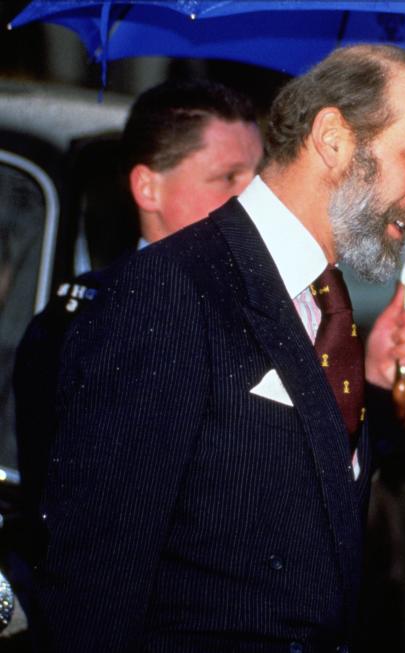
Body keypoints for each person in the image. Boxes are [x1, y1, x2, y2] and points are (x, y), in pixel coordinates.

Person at [32, 44, 405, 651]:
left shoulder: (323, 303)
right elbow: (94, 578)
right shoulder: (171, 291)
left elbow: (289, 491)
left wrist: (379, 390)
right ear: (333, 138)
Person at [11, 78, 262, 624]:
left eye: (257, 181)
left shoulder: (273, 311)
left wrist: (378, 387)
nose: (253, 204)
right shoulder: (85, 320)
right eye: (227, 179)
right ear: (148, 189)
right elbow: (69, 521)